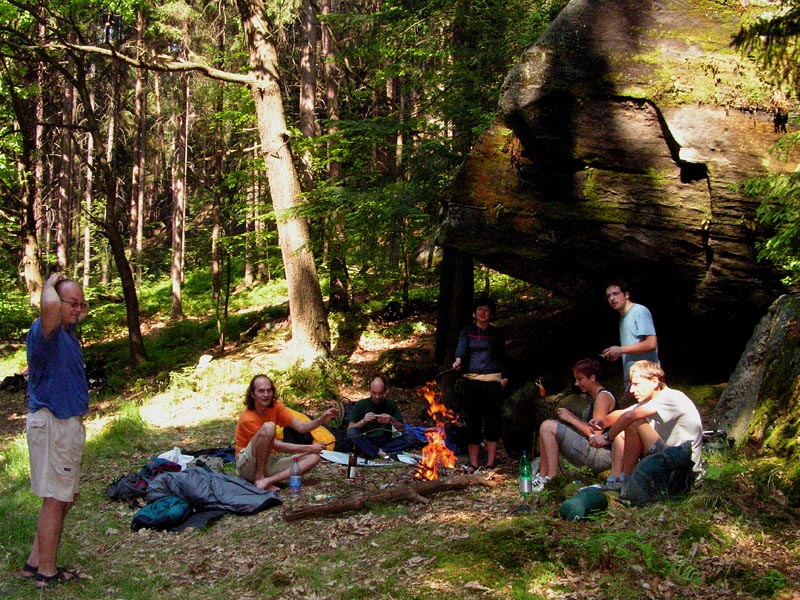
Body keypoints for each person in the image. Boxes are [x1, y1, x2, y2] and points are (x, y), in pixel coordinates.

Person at [22, 273, 90, 589]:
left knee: (65, 497)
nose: (78, 310)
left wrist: (71, 301)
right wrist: (49, 285)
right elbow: (49, 308)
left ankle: (34, 562)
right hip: (53, 424)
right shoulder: (44, 332)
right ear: (55, 303)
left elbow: (72, 311)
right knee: (54, 498)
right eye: (72, 304)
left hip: (67, 424)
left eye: (81, 304)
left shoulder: (66, 333)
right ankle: (46, 574)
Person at [588, 361, 704, 490]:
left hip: (683, 469)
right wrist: (603, 422)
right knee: (622, 433)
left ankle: (627, 481)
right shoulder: (652, 401)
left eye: (636, 384)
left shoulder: (671, 397)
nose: (631, 390)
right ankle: (616, 479)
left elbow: (630, 416)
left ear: (654, 382)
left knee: (634, 423)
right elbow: (622, 413)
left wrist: (606, 437)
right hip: (670, 459)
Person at [235, 374, 339, 491]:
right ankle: (259, 477)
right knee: (269, 427)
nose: (266, 395)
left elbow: (300, 426)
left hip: (268, 461)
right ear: (252, 394)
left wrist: (322, 419)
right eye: (261, 391)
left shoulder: (275, 406)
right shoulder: (248, 418)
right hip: (247, 465)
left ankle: (267, 481)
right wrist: (309, 447)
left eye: (269, 391)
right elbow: (276, 445)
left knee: (314, 457)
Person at [531, 358, 619, 492]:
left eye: (580, 379)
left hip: (603, 455)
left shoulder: (603, 397)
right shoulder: (595, 397)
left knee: (548, 426)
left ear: (593, 377)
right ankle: (542, 476)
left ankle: (551, 478)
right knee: (545, 426)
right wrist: (570, 416)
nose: (577, 383)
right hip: (594, 451)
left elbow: (595, 434)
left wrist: (571, 419)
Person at [452, 295, 508, 472]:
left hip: (492, 382)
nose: (482, 313)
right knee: (473, 422)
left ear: (491, 313)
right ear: (474, 313)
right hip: (472, 382)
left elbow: (504, 357)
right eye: (479, 310)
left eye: (486, 310)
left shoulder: (496, 333)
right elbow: (461, 348)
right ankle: (474, 462)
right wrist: (458, 360)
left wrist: (505, 376)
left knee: (493, 421)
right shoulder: (467, 331)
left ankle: (491, 462)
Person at [601, 279, 658, 400]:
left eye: (615, 294)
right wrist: (617, 353)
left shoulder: (639, 311)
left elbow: (651, 343)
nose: (612, 298)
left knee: (618, 416)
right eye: (608, 296)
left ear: (626, 295)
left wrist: (620, 350)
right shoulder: (623, 319)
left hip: (646, 381)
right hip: (633, 382)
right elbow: (632, 348)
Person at [347, 376, 415, 459]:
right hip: (366, 440)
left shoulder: (390, 404)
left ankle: (372, 451)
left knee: (411, 437)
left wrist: (391, 420)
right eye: (374, 393)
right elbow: (350, 429)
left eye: (380, 393)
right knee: (352, 433)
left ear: (384, 391)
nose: (377, 396)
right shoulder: (360, 404)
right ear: (369, 390)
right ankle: (378, 452)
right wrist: (364, 421)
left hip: (385, 441)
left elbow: (403, 430)